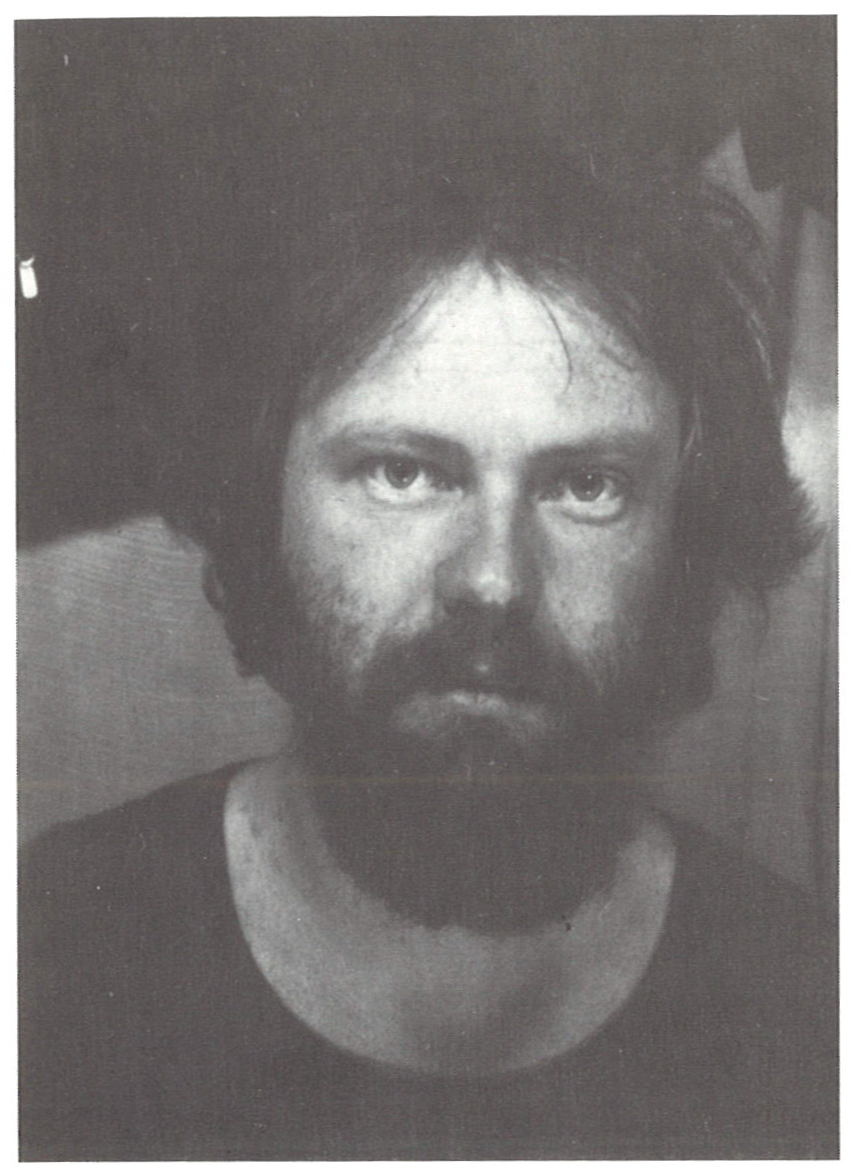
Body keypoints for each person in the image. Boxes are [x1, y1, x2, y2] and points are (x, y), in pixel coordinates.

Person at [19, 136, 836, 1161]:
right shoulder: (47, 955)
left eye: (586, 486)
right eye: (403, 473)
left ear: (687, 543)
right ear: (260, 506)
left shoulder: (809, 1013)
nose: (493, 580)